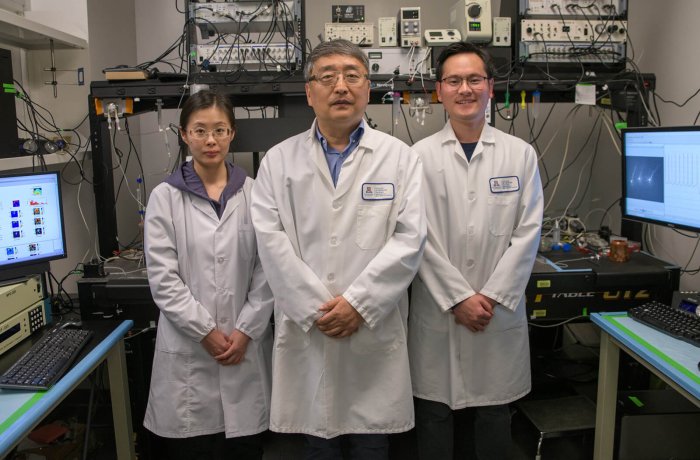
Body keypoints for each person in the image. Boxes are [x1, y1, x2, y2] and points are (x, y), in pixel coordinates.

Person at [250, 39, 426, 459]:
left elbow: (410, 237)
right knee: (317, 440)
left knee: (371, 441)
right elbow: (270, 241)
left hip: (372, 331)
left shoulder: (400, 159)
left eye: (352, 76)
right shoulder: (278, 162)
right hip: (310, 333)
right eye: (327, 77)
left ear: (369, 88)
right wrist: (319, 309)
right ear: (309, 93)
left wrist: (358, 305)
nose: (341, 86)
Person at [408, 42, 544, 460]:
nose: (464, 89)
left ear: (490, 87)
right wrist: (458, 298)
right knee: (434, 416)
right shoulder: (417, 157)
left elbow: (528, 233)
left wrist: (487, 296)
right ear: (439, 91)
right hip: (439, 311)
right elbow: (416, 237)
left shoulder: (519, 155)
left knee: (493, 416)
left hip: (495, 311)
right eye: (454, 80)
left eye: (474, 79)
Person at [143, 90, 274, 460]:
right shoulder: (164, 198)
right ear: (183, 134)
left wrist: (246, 329)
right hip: (190, 352)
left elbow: (268, 270)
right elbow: (164, 280)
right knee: (193, 447)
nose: (211, 140)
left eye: (219, 130)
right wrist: (206, 332)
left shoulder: (255, 194)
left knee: (244, 448)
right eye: (200, 131)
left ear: (232, 133)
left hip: (243, 345)